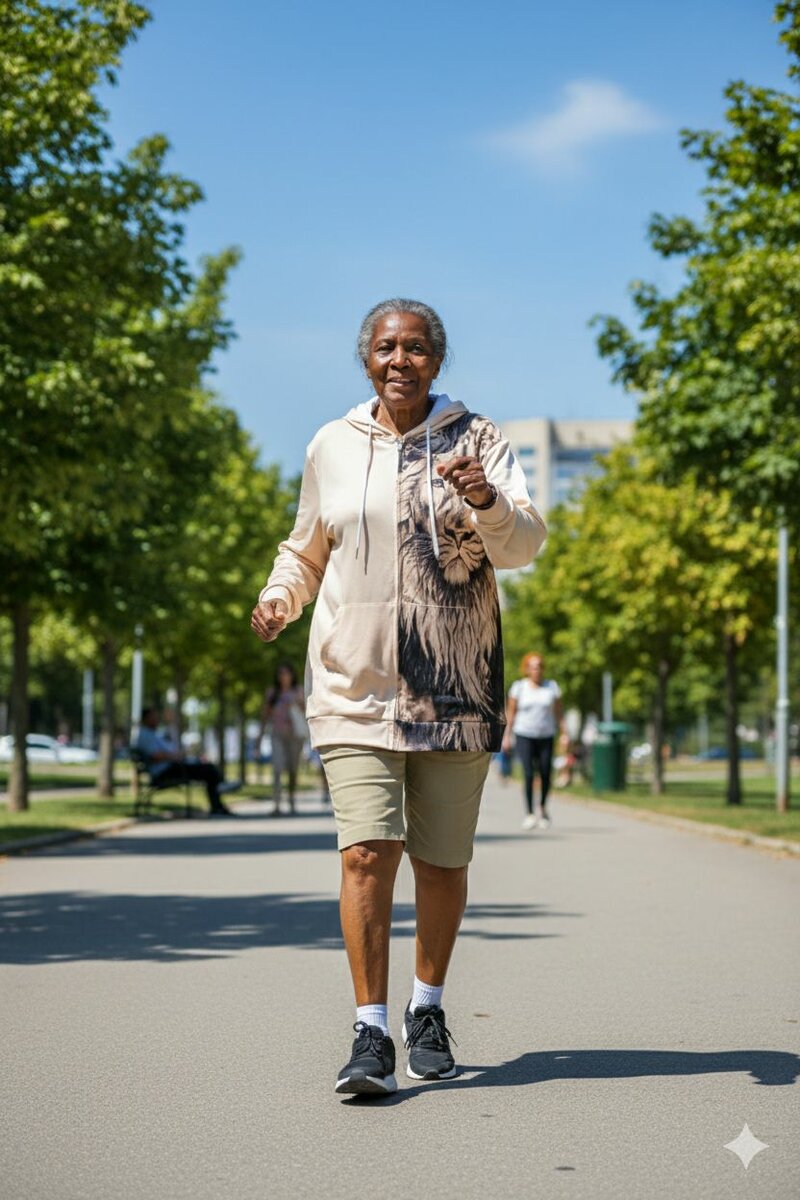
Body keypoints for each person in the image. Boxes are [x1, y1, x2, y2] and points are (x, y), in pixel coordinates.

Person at [251, 298, 546, 1096]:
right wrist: (282, 595)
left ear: (437, 361)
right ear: (366, 358)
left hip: (453, 687)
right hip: (353, 687)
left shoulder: (478, 439)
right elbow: (306, 547)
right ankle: (370, 1032)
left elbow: (522, 545)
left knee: (441, 863)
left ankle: (428, 1009)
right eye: (386, 347)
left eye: (416, 348)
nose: (400, 360)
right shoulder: (332, 445)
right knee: (365, 853)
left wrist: (484, 499)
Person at [135, 707, 241, 817]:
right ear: (146, 719)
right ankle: (219, 792)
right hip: (165, 771)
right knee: (207, 769)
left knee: (205, 766)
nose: (157, 719)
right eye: (154, 717)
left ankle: (219, 795)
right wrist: (175, 756)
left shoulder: (153, 734)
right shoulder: (145, 735)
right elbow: (156, 756)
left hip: (172, 767)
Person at [503, 654, 564, 830]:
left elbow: (559, 713)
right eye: (532, 666)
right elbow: (511, 712)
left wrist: (565, 733)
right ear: (527, 669)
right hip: (524, 734)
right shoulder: (519, 688)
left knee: (545, 772)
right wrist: (506, 736)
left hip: (546, 735)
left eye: (539, 666)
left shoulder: (552, 687)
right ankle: (530, 813)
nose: (536, 670)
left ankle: (543, 809)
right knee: (529, 773)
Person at [262, 663, 306, 815]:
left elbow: (306, 710)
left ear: (292, 675)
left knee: (293, 769)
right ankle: (276, 804)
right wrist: (259, 737)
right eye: (281, 673)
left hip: (295, 736)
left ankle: (292, 800)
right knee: (277, 767)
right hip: (277, 734)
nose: (284, 676)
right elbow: (265, 715)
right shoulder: (273, 693)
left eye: (286, 673)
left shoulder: (298, 691)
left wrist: (297, 701)